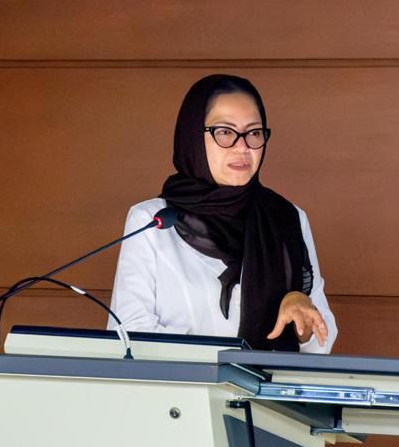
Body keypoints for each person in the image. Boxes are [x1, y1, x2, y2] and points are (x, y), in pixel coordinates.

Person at [108, 74, 337, 353]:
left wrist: (302, 312)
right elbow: (131, 331)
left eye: (254, 133)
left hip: (264, 396)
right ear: (192, 135)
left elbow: (322, 340)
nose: (243, 147)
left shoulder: (287, 219)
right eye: (225, 132)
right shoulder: (152, 222)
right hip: (178, 393)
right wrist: (227, 361)